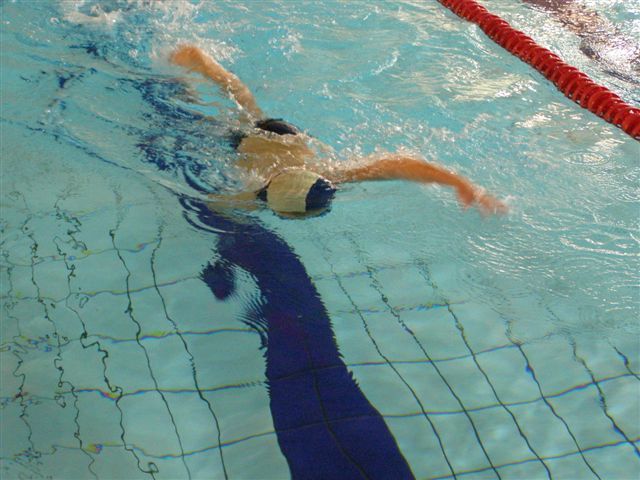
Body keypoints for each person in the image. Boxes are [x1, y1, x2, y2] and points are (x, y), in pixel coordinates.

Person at [170, 45, 507, 218]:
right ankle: (196, 68)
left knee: (245, 104)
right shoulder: (259, 190)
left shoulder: (324, 176)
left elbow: (398, 165)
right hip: (266, 139)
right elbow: (398, 164)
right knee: (230, 115)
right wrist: (460, 184)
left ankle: (202, 64)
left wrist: (460, 183)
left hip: (280, 137)